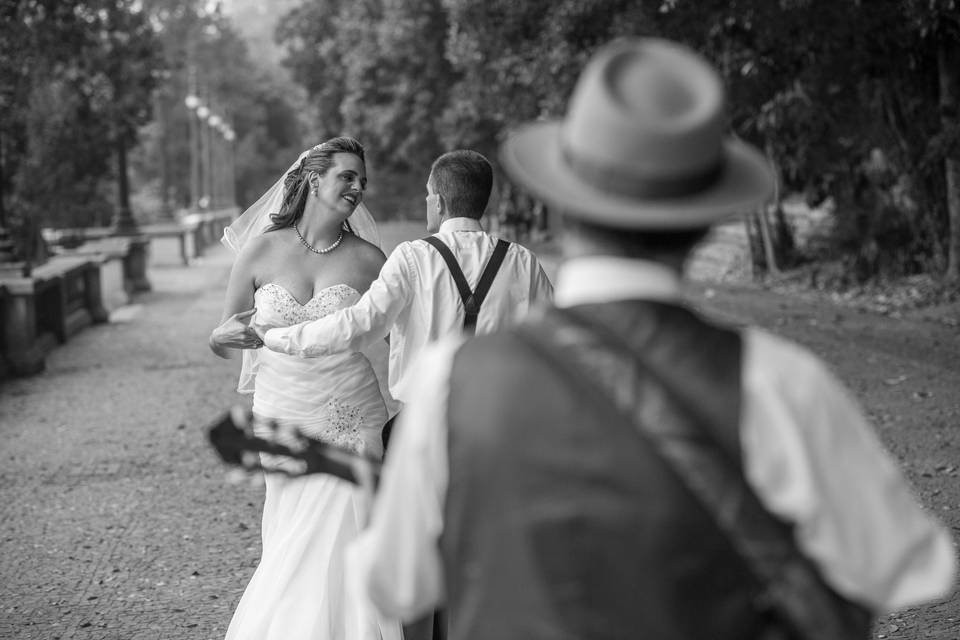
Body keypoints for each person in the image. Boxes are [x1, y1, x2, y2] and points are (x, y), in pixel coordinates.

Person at [347, 38, 957, 639]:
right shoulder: (776, 380)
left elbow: (395, 582)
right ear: (700, 228)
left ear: (562, 206)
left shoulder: (454, 380)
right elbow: (908, 567)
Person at [208, 136, 401, 640]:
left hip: (351, 415)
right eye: (347, 176)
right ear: (314, 179)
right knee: (292, 541)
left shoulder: (370, 260)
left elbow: (406, 334)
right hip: (282, 414)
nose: (358, 187)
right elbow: (225, 333)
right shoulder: (261, 250)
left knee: (349, 536)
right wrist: (217, 336)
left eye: (362, 179)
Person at [257, 149, 553, 420]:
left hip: (425, 422)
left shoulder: (413, 257)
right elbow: (554, 345)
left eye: (427, 194)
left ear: (439, 202)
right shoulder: (523, 262)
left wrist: (275, 337)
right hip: (501, 421)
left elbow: (357, 325)